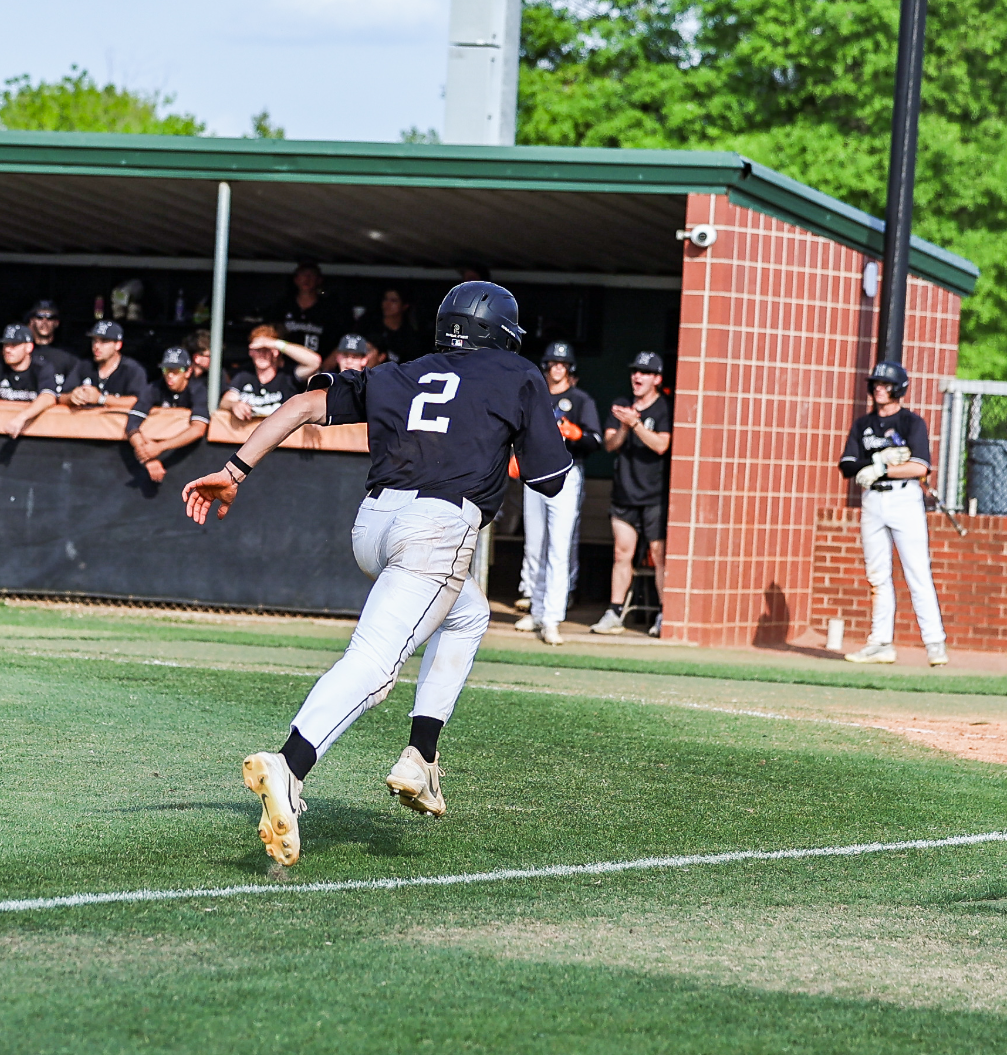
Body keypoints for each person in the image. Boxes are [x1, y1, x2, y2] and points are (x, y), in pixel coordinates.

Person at [181, 282, 571, 867]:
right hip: (437, 527)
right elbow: (550, 480)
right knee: (376, 664)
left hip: (375, 524)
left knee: (467, 616)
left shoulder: (400, 370)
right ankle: (291, 765)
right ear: (502, 334)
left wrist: (234, 470)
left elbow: (304, 405)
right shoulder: (518, 374)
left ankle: (422, 757)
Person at [838, 360, 948, 666]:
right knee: (877, 575)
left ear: (898, 388)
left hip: (904, 500)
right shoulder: (863, 425)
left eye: (885, 385)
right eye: (876, 384)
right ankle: (880, 642)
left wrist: (884, 467)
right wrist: (875, 464)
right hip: (873, 500)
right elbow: (847, 465)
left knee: (917, 571)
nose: (879, 389)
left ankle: (935, 642)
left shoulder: (911, 423)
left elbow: (920, 466)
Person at [512, 340, 603, 645]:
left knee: (559, 547)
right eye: (553, 364)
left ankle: (552, 617)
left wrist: (575, 433)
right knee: (534, 544)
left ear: (570, 368)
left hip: (567, 471)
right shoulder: (534, 396)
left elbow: (594, 440)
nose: (557, 368)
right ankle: (536, 610)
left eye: (562, 364)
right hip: (535, 470)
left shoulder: (580, 399)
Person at [591, 352, 674, 637]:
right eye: (635, 371)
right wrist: (625, 426)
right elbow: (610, 445)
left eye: (645, 372)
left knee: (658, 554)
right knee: (621, 552)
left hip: (654, 496)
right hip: (624, 493)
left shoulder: (664, 408)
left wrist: (636, 424)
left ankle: (665, 614)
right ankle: (614, 613)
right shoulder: (621, 405)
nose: (637, 377)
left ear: (657, 379)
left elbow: (662, 445)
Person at [127, 346, 210, 483]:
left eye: (176, 371)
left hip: (193, 463)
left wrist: (160, 447)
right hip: (152, 459)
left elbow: (198, 429)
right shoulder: (154, 388)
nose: (170, 375)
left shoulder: (198, 390)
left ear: (188, 371)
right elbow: (132, 423)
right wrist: (147, 455)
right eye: (166, 370)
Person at [219, 324, 319, 420]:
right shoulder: (244, 375)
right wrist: (234, 405)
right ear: (250, 352)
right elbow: (225, 401)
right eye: (258, 350)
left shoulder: (287, 375)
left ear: (275, 352)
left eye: (266, 349)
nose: (262, 354)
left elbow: (314, 362)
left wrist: (275, 343)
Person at [64, 319, 147, 411]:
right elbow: (61, 396)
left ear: (118, 345)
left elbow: (139, 401)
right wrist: (72, 397)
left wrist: (101, 398)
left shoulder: (132, 370)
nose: (97, 346)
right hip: (85, 422)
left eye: (104, 341)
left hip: (116, 423)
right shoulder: (84, 365)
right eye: (95, 340)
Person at [275, 261, 349, 354]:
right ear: (296, 279)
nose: (307, 278)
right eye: (303, 274)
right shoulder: (283, 306)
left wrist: (330, 361)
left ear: (319, 280)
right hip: (287, 364)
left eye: (311, 275)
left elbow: (343, 338)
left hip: (319, 362)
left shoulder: (330, 309)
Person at [364, 286, 424, 362]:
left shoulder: (409, 335)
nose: (387, 304)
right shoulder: (369, 326)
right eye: (385, 299)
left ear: (405, 306)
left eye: (393, 301)